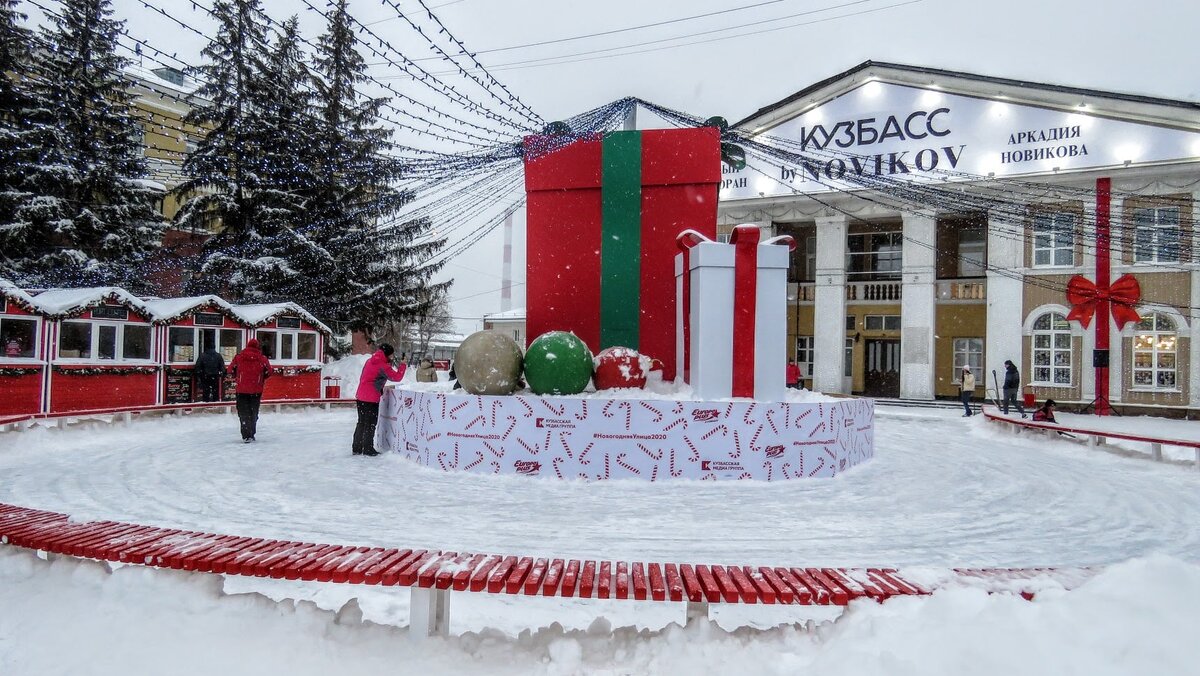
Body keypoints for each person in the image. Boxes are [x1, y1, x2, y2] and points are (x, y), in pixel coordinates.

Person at [353, 343, 406, 456]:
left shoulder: (369, 361)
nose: (392, 357)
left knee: (361, 422)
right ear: (387, 354)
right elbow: (396, 377)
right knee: (371, 423)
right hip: (371, 397)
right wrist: (403, 365)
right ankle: (368, 448)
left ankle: (357, 447)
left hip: (361, 395)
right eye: (391, 355)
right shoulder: (383, 366)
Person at [229, 338, 271, 443]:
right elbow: (269, 371)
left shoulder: (239, 357)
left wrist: (238, 377)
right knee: (253, 411)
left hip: (241, 390)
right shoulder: (262, 358)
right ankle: (251, 432)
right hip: (256, 389)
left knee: (243, 412)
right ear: (258, 347)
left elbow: (230, 369)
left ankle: (245, 434)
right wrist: (261, 378)